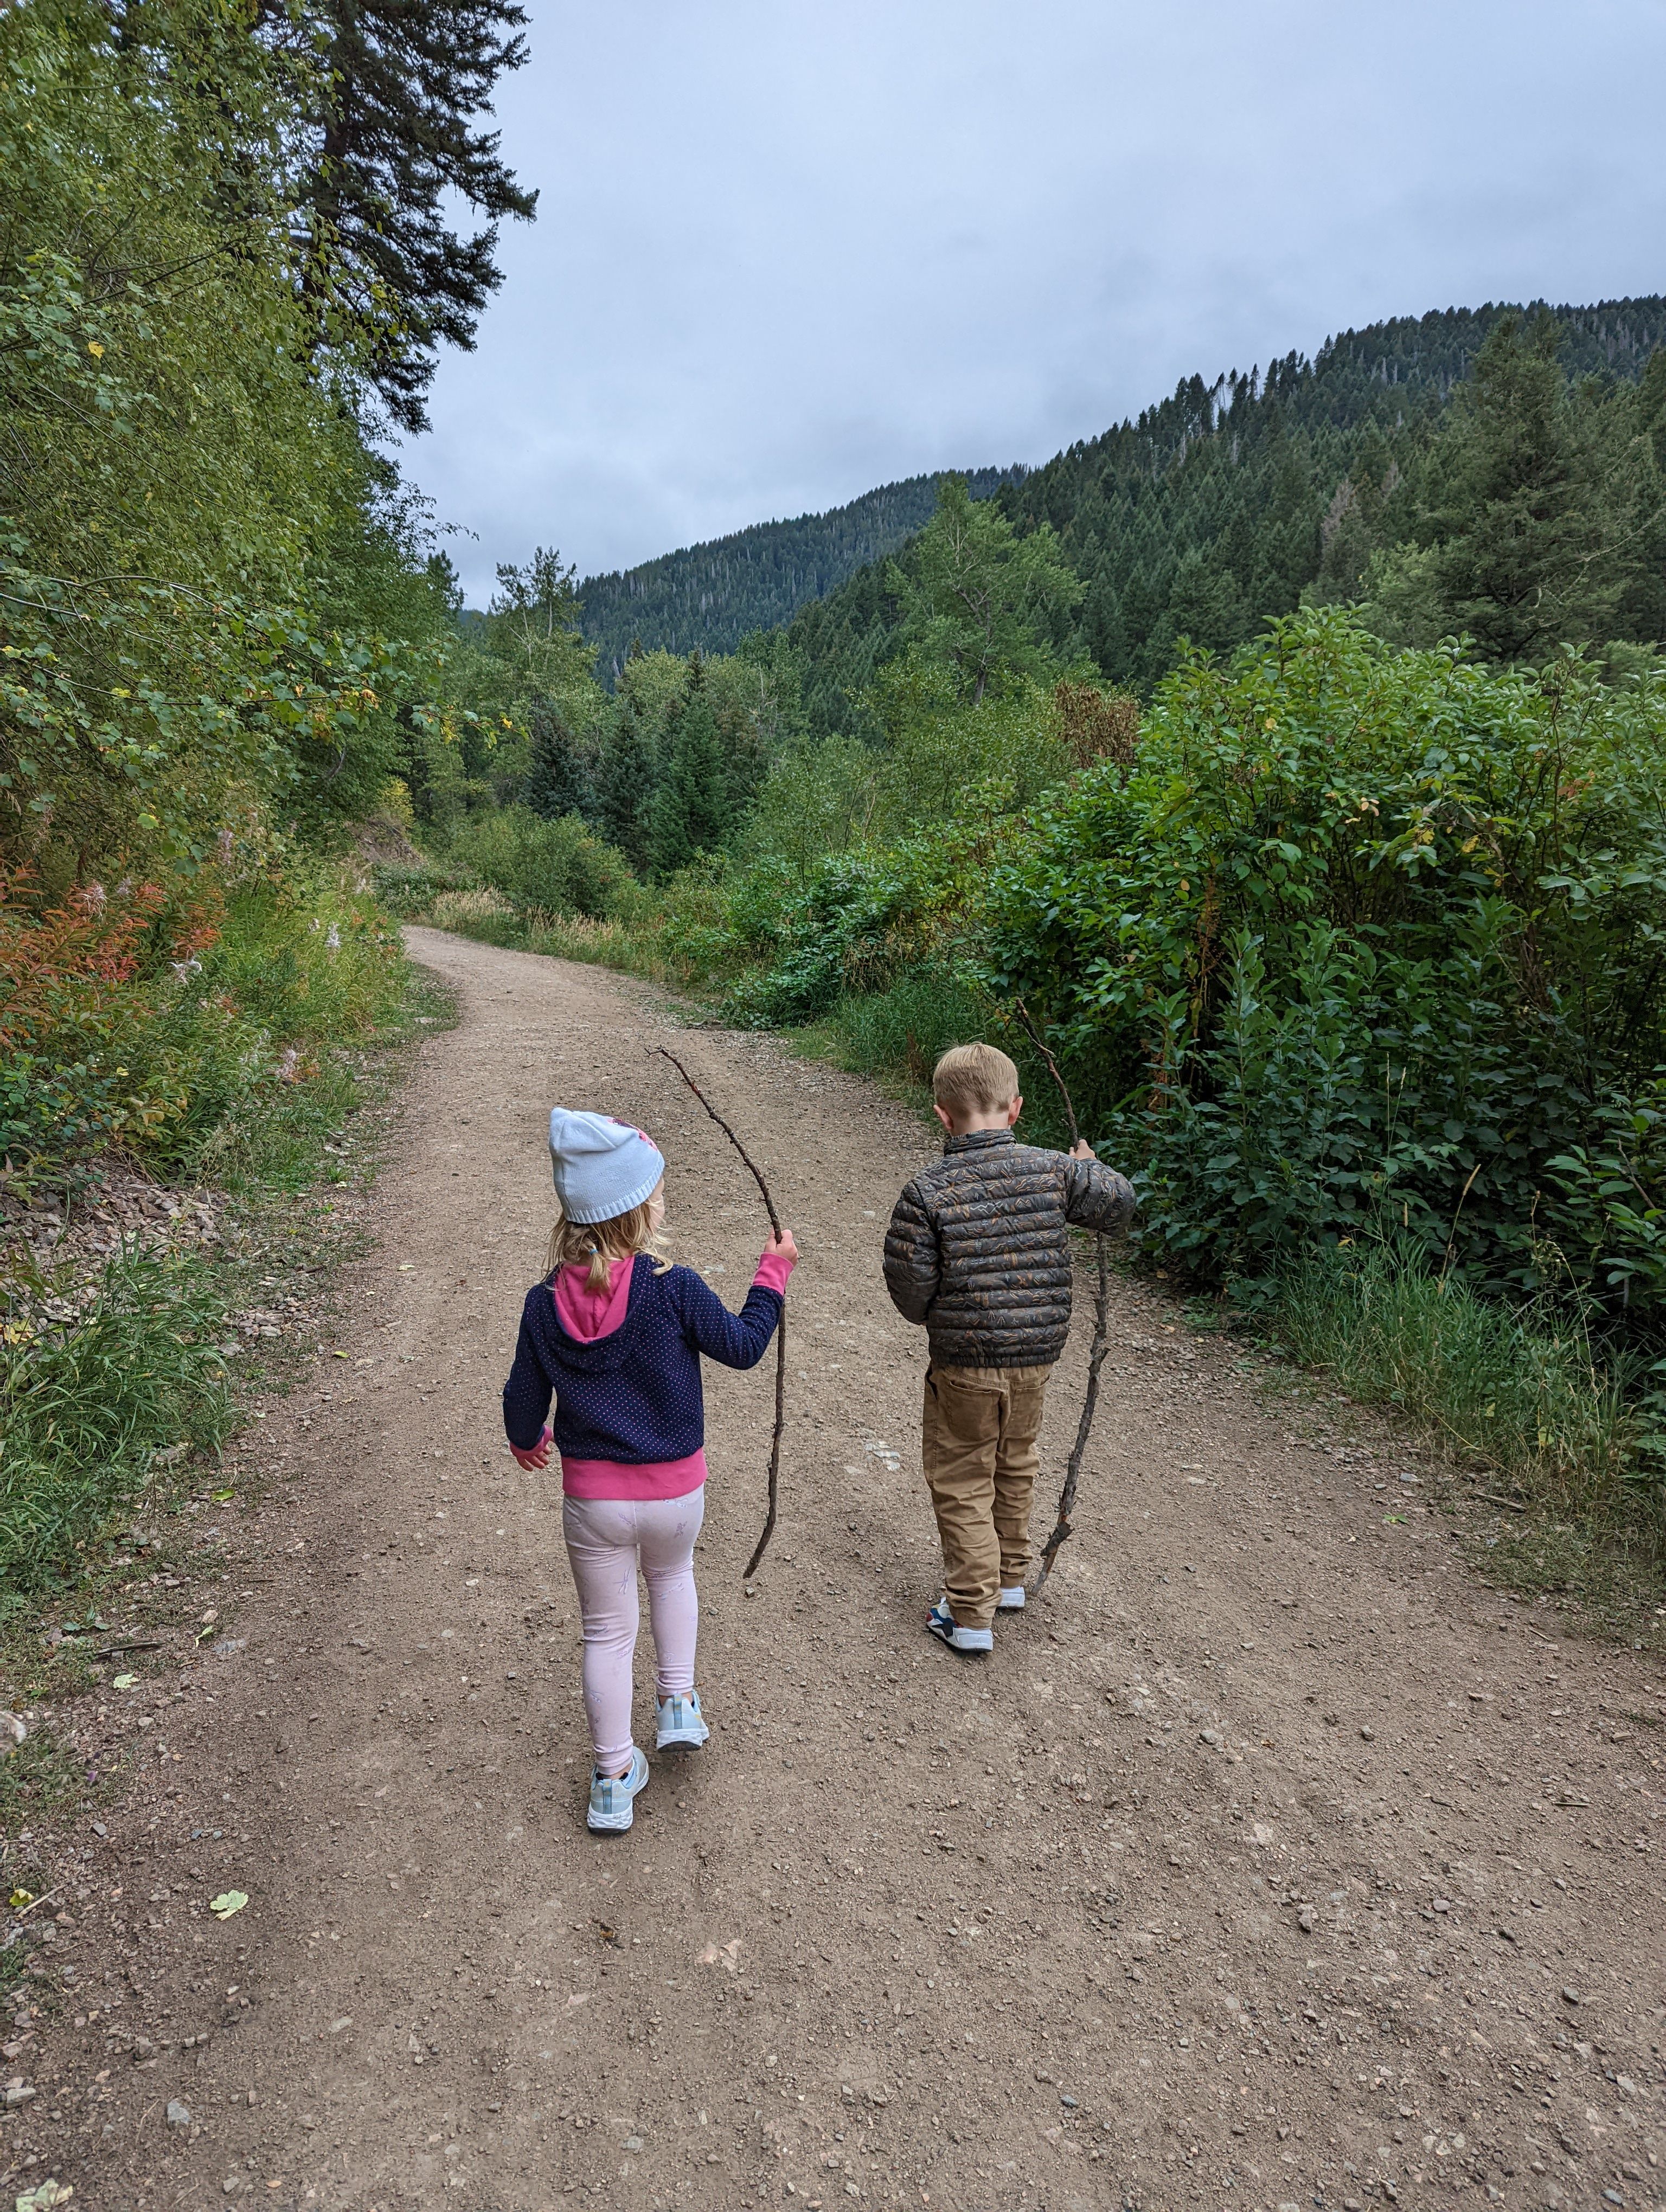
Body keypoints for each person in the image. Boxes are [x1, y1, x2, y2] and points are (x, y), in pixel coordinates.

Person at [502, 1107, 796, 1831]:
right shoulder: (675, 1286)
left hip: (593, 1500)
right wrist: (773, 1274)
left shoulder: (544, 1305)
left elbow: (521, 1396)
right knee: (672, 1578)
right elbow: (743, 1346)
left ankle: (611, 1779)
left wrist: (526, 1439)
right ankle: (677, 1705)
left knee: (606, 1631)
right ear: (640, 1211)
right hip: (676, 1491)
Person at [882, 1041, 1135, 1655]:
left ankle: (971, 1612)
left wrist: (936, 1317)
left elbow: (911, 1290)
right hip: (1036, 1357)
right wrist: (1091, 1167)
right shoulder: (1055, 1170)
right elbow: (1120, 1204)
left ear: (942, 1115)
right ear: (1016, 1108)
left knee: (964, 1473)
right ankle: (1011, 1576)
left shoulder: (926, 1191)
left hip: (963, 1363)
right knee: (1016, 1459)